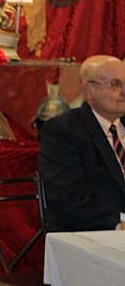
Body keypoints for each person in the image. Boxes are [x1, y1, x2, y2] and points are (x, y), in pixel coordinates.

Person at [38, 55, 125, 232]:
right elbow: (67, 197)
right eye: (116, 85)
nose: (124, 91)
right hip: (95, 235)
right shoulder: (64, 131)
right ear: (88, 91)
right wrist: (119, 222)